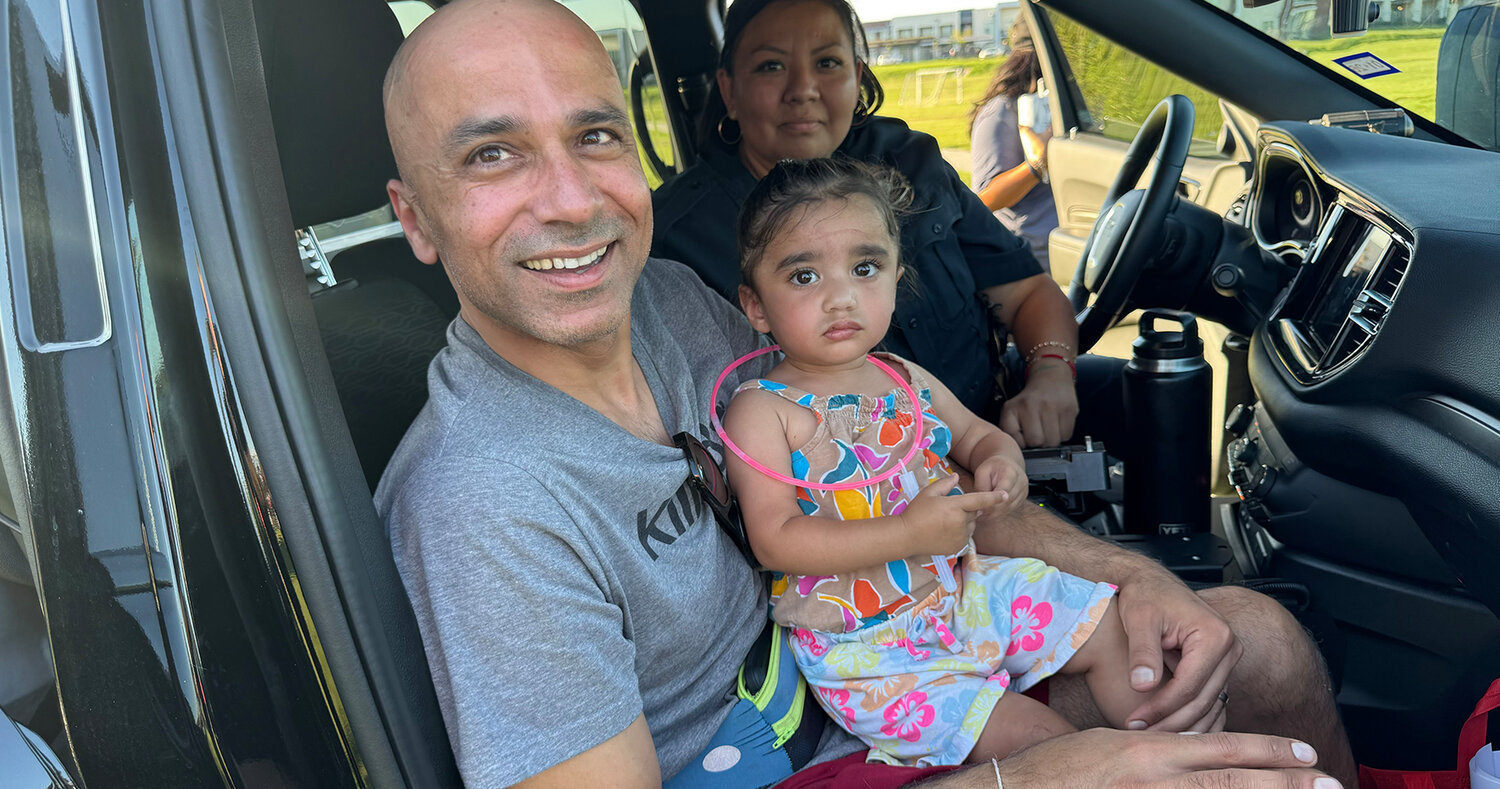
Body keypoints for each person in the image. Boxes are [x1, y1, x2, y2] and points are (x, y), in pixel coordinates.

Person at [375, 0, 1352, 786]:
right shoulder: (481, 504)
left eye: (594, 136)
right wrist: (1053, 776)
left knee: (1253, 642)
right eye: (492, 154)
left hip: (900, 653)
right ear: (414, 220)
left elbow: (905, 476)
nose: (572, 199)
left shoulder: (674, 304)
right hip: (813, 747)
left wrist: (1128, 578)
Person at [723, 157, 1184, 768]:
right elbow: (777, 540)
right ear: (756, 308)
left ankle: (1174, 756)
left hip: (962, 592)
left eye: (865, 269)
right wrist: (908, 532)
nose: (840, 297)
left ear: (895, 276)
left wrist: (1002, 463)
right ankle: (1128, 772)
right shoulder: (765, 411)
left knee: (1113, 628)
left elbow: (977, 437)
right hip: (870, 650)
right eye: (804, 277)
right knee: (1046, 745)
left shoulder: (903, 378)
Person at [651, 0, 1094, 450]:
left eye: (827, 62)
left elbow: (1027, 292)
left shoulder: (911, 163)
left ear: (857, 77)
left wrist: (1052, 374)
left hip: (993, 436)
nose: (803, 89)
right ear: (729, 91)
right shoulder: (676, 237)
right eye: (771, 66)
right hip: (846, 493)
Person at [970, 20, 1058, 273]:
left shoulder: (1063, 103)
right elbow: (985, 199)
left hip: (1071, 250)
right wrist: (1035, 166)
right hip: (1032, 264)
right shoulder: (1001, 112)